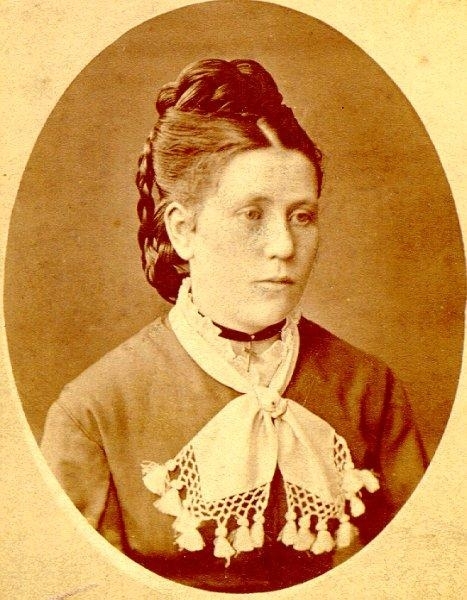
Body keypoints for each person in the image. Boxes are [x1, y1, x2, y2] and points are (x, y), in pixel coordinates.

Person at [40, 58, 428, 593]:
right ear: (183, 230)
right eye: (252, 214)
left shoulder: (369, 389)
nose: (284, 246)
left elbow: (421, 575)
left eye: (302, 216)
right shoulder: (95, 412)